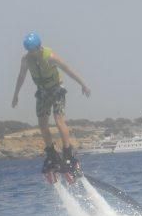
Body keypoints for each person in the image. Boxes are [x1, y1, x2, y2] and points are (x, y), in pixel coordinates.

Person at [12, 32, 91, 174]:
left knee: (59, 120)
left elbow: (68, 69)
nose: (32, 53)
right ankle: (52, 155)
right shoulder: (26, 60)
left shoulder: (50, 56)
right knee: (42, 124)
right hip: (42, 91)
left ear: (39, 47)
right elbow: (21, 76)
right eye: (29, 51)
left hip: (56, 89)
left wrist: (83, 84)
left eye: (33, 50)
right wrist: (16, 95)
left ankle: (68, 154)